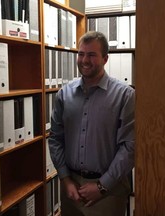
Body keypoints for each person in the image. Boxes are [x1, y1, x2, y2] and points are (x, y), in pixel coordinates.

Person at [48, 31, 135, 216]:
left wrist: (102, 186)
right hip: (71, 190)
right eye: (81, 54)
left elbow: (130, 147)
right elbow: (55, 138)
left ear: (105, 58)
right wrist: (65, 178)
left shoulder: (125, 96)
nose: (84, 60)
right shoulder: (64, 94)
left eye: (91, 55)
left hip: (108, 193)